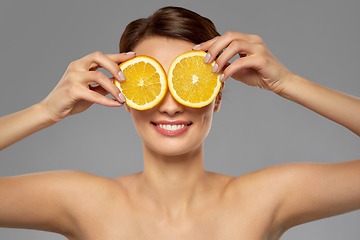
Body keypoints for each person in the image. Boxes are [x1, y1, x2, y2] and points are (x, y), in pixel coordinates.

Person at [0, 6, 359, 240]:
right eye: (153, 84)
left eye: (188, 84)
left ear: (216, 96)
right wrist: (46, 110)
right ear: (126, 97)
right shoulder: (83, 202)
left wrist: (288, 83)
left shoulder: (263, 199)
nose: (171, 106)